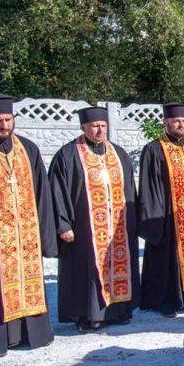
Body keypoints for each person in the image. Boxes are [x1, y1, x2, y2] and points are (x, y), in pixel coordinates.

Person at [0, 94, 58, 357]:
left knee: (27, 282)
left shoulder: (28, 149)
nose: (3, 126)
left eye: (8, 119)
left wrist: (45, 236)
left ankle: (29, 334)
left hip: (25, 239)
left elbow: (43, 196)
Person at [49, 106, 138, 333]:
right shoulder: (67, 155)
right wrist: (63, 225)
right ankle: (88, 316)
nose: (100, 130)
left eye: (103, 126)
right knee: (87, 272)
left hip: (118, 230)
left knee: (119, 266)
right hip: (85, 229)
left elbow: (130, 190)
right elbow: (56, 192)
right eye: (95, 126)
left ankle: (118, 311)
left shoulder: (118, 154)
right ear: (83, 127)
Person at [138, 103, 184, 317]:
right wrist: (155, 221)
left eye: (183, 121)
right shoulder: (153, 149)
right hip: (169, 217)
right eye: (176, 121)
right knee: (169, 260)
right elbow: (149, 187)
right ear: (165, 122)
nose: (181, 125)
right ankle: (168, 301)